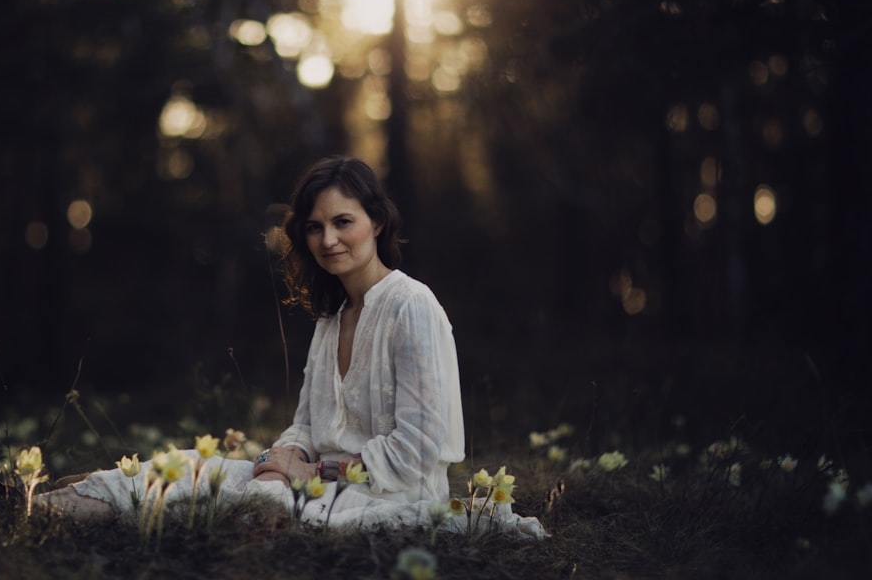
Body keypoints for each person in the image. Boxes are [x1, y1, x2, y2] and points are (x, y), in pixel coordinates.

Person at [28, 157, 543, 535]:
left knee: (204, 503)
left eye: (344, 222)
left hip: (382, 494)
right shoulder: (332, 316)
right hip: (311, 481)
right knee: (181, 468)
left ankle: (32, 515)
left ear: (376, 223)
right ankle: (19, 502)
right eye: (314, 227)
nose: (328, 240)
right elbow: (306, 423)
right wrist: (285, 456)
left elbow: (420, 447)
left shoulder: (412, 305)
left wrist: (313, 470)